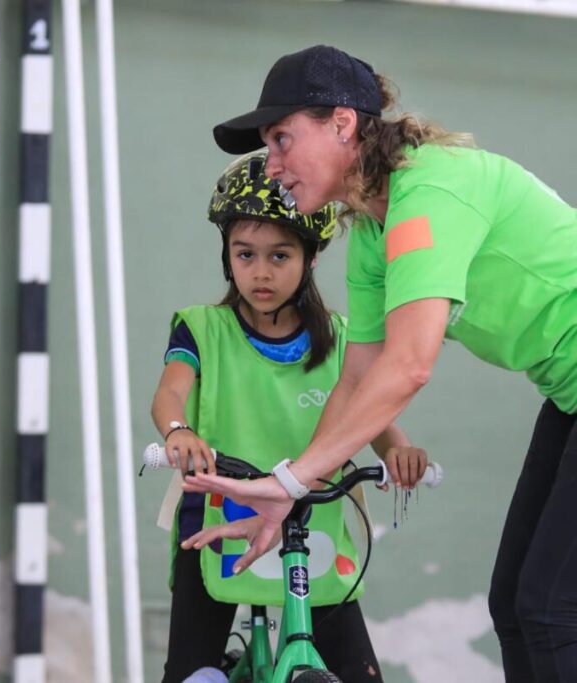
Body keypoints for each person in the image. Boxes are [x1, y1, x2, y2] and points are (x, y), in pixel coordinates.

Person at [187, 43, 577, 682]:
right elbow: (360, 375)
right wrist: (295, 491)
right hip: (568, 390)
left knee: (551, 608)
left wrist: (286, 480)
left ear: (343, 123)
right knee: (515, 605)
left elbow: (408, 366)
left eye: (283, 139)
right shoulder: (370, 230)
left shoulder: (434, 187)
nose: (273, 163)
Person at [151, 150, 428, 682]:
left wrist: (398, 451)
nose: (260, 272)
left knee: (359, 673)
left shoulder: (345, 339)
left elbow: (373, 417)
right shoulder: (201, 329)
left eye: (280, 256)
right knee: (192, 674)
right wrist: (178, 430)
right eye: (245, 253)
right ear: (227, 255)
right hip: (218, 520)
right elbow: (168, 394)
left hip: (310, 522)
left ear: (311, 257)